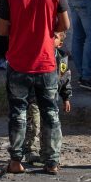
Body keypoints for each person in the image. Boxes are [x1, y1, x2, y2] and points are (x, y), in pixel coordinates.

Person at [0, 0, 70, 175]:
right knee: (50, 112)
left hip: (19, 62)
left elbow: (1, 29)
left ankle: (16, 161)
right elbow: (65, 25)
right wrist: (48, 31)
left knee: (18, 112)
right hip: (46, 62)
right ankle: (52, 162)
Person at [24, 32, 73, 164]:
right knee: (34, 126)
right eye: (50, 36)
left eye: (55, 37)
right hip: (34, 98)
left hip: (51, 99)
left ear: (60, 44)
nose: (51, 39)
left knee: (49, 127)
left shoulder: (62, 59)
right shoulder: (37, 54)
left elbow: (64, 79)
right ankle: (27, 151)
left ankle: (46, 154)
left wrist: (66, 97)